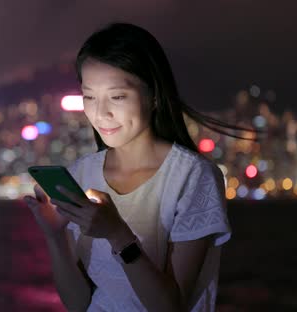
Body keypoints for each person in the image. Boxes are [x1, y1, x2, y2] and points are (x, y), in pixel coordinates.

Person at [23, 22, 250, 312]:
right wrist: (54, 235)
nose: (101, 112)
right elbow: (79, 304)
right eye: (89, 96)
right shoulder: (82, 174)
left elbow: (170, 307)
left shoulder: (191, 177)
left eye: (117, 96)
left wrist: (117, 234)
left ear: (154, 95)